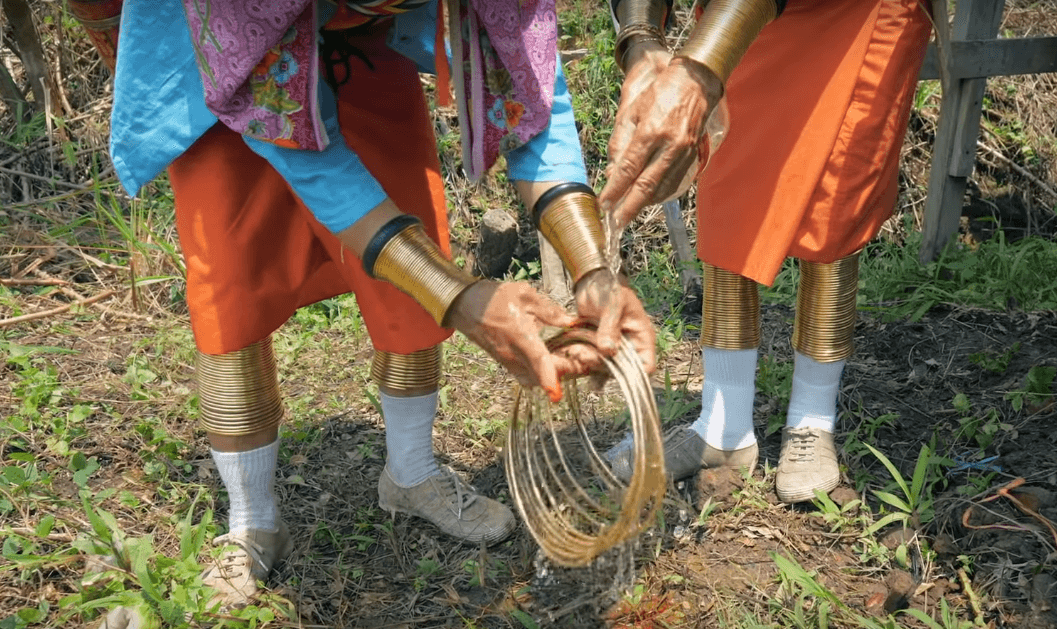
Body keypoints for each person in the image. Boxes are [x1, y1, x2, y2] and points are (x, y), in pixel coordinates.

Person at [67, 1, 655, 626]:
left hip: (360, 50)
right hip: (219, 63)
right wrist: (456, 295)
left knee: (408, 270)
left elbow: (527, 80)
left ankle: (411, 473)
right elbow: (282, 128)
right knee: (233, 292)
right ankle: (252, 524)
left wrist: (594, 267)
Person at [603, 0, 932, 503]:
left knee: (835, 205)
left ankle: (811, 421)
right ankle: (724, 425)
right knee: (732, 188)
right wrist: (640, 36)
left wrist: (698, 69)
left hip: (862, 13)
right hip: (751, 19)